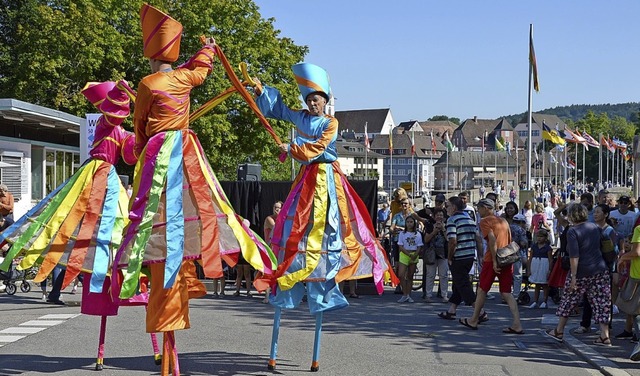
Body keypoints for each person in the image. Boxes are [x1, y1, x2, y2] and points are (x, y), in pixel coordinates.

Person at [114, 6, 276, 370]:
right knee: (196, 206)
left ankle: (166, 332)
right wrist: (207, 47)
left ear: (150, 52)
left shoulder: (147, 84)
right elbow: (202, 70)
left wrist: (141, 152)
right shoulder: (187, 78)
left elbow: (140, 125)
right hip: (186, 152)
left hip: (159, 152)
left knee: (155, 221)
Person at [254, 62, 394, 315]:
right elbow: (279, 111)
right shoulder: (301, 117)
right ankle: (292, 275)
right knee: (297, 222)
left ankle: (326, 286)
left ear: (324, 101)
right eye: (309, 100)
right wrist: (261, 91)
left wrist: (292, 149)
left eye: (316, 100)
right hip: (305, 177)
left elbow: (318, 147)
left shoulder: (331, 123)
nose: (312, 104)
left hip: (324, 176)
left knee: (328, 223)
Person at [545, 203, 612, 346]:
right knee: (602, 302)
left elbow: (574, 255)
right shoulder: (595, 227)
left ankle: (559, 330)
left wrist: (574, 276)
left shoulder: (572, 231)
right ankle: (604, 335)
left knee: (568, 300)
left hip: (581, 271)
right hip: (600, 269)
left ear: (571, 215)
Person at [459, 198, 523, 334]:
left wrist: (494, 261)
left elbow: (492, 240)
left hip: (492, 259)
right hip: (507, 258)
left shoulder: (485, 221)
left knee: (482, 290)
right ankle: (517, 323)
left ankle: (474, 319)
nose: (478, 210)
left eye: (479, 208)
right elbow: (509, 240)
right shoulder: (504, 221)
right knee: (506, 292)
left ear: (486, 208)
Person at [437, 196, 480, 321]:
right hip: (470, 255)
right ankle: (452, 310)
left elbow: (452, 241)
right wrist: (480, 255)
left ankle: (479, 311)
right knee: (458, 283)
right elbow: (477, 239)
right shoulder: (469, 219)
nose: (446, 209)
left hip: (459, 256)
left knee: (463, 285)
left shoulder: (452, 220)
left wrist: (450, 257)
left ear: (454, 207)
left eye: (448, 206)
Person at [423, 208, 449, 302]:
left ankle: (444, 295)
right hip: (432, 254)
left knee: (444, 275)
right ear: (434, 217)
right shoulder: (430, 226)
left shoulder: (447, 226)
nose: (439, 217)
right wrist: (434, 231)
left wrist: (443, 229)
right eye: (437, 215)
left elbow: (449, 240)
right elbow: (426, 240)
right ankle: (428, 294)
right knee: (430, 275)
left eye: (441, 215)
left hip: (444, 254)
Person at [396, 216, 423, 303]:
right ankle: (404, 294)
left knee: (410, 276)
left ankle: (408, 294)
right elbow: (400, 245)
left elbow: (419, 246)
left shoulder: (417, 234)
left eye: (411, 222)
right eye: (408, 222)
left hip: (414, 254)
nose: (409, 224)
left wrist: (415, 254)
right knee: (401, 274)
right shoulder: (402, 234)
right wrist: (407, 254)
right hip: (404, 254)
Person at [527, 229, 553, 309]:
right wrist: (529, 269)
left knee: (545, 283)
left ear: (545, 238)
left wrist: (549, 269)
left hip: (544, 264)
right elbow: (530, 258)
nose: (539, 238)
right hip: (535, 264)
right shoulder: (534, 246)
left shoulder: (548, 248)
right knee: (537, 284)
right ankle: (535, 301)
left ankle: (544, 301)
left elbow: (550, 259)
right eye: (538, 236)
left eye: (541, 237)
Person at [510, 213, 529, 299]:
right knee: (517, 275)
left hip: (505, 254)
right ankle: (515, 295)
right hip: (517, 254)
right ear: (521, 222)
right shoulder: (521, 230)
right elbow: (523, 243)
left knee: (507, 275)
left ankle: (505, 295)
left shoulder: (507, 227)